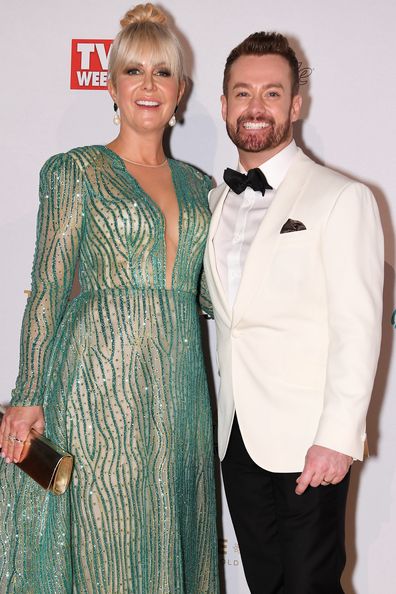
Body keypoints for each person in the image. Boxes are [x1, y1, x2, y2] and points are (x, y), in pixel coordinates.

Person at [0, 4, 219, 593]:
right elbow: (47, 288)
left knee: (173, 531)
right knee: (105, 539)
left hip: (179, 393)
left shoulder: (202, 188)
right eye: (134, 71)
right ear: (112, 85)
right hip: (97, 384)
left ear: (180, 91)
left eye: (164, 73)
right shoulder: (76, 172)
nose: (149, 85)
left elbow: (218, 294)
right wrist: (27, 395)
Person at [204, 31, 384, 594]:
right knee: (266, 585)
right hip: (236, 438)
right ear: (224, 103)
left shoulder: (341, 197)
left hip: (310, 442)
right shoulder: (214, 203)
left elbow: (359, 325)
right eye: (242, 93)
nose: (255, 107)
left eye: (272, 93)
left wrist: (337, 435)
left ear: (295, 105)